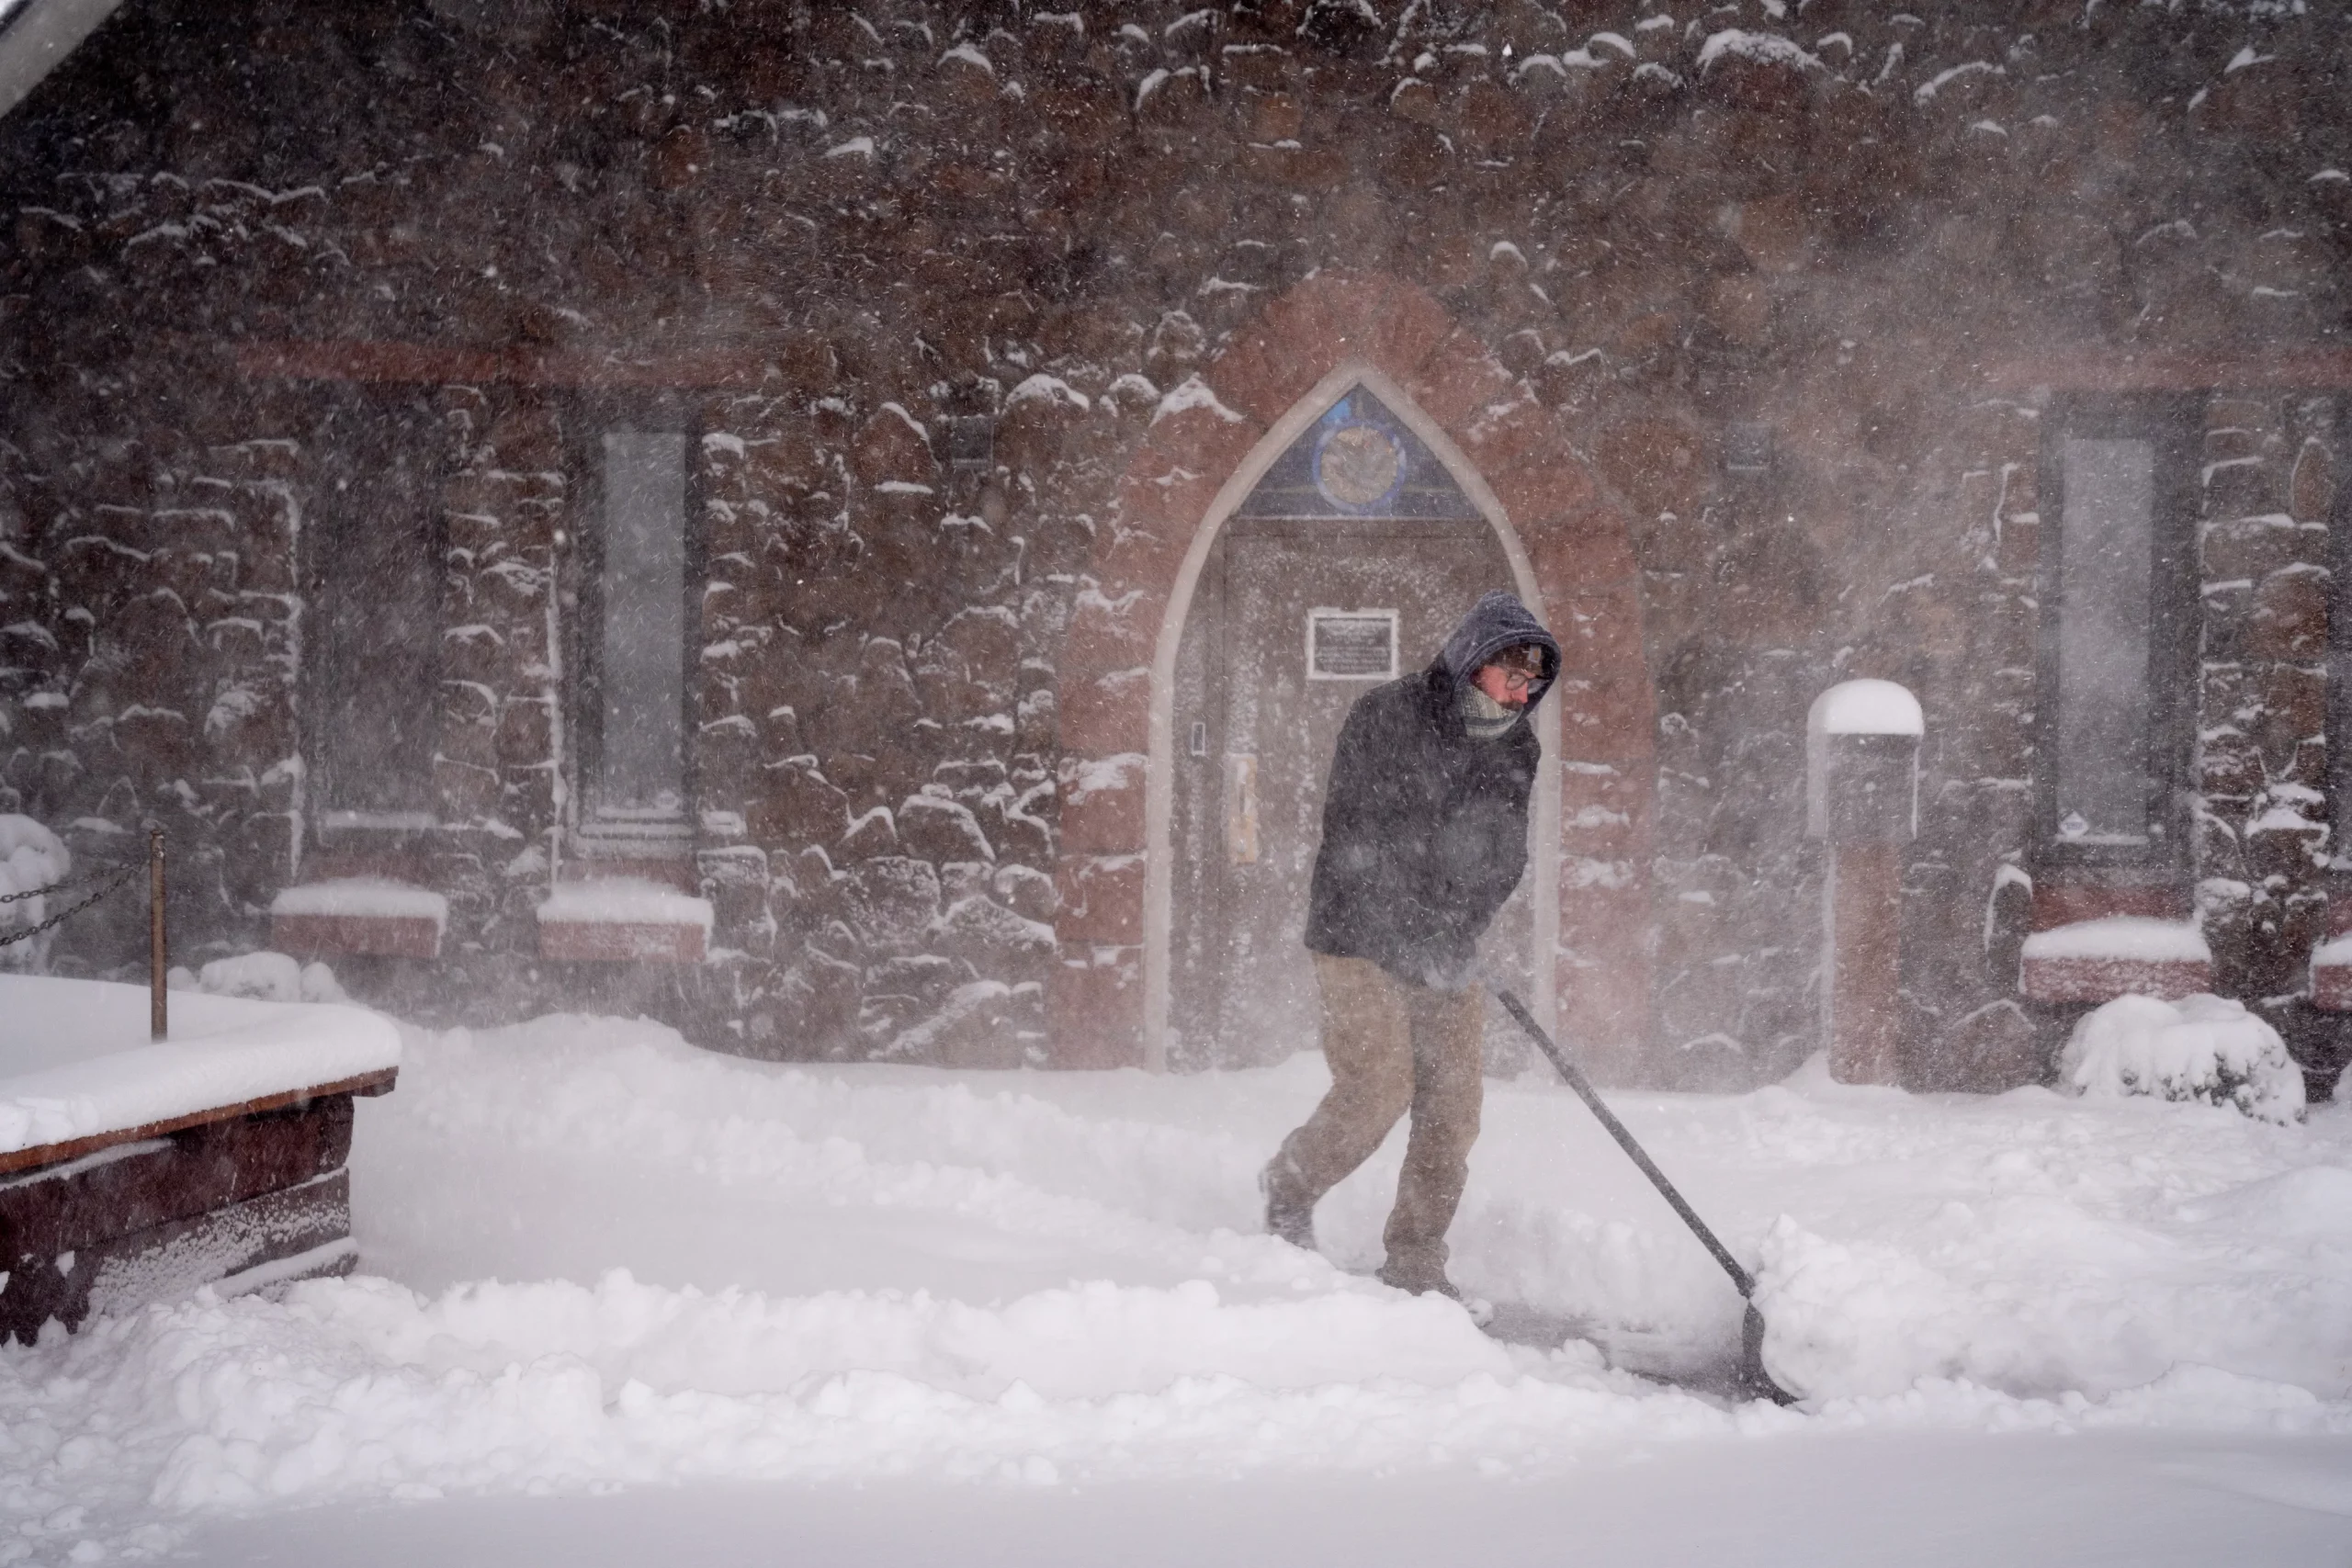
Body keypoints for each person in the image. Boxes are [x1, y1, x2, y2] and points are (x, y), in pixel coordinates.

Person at [1261, 590, 1560, 1299]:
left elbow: (1502, 856)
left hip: (1446, 943)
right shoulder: (1387, 716)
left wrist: (1457, 927)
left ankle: (1418, 1262)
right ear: (1473, 661)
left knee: (1452, 1109)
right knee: (1380, 1084)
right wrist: (1409, 921)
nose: (1521, 694)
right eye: (1511, 677)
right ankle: (1289, 1185)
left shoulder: (1518, 745)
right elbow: (1359, 834)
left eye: (1531, 684)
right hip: (1354, 934)